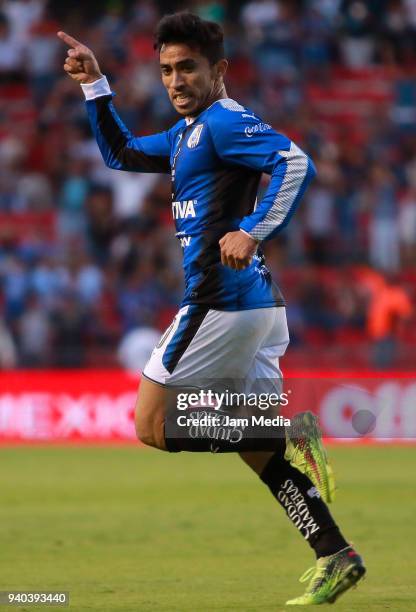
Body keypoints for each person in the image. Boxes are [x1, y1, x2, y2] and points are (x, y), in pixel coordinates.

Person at [58, 12, 365, 605]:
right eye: (167, 69)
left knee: (151, 425)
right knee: (256, 451)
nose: (175, 80)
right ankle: (335, 553)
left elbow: (296, 162)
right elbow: (120, 152)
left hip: (220, 303)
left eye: (188, 68)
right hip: (253, 306)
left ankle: (288, 429)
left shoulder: (224, 120)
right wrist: (95, 85)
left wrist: (252, 227)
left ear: (218, 70)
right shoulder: (186, 134)